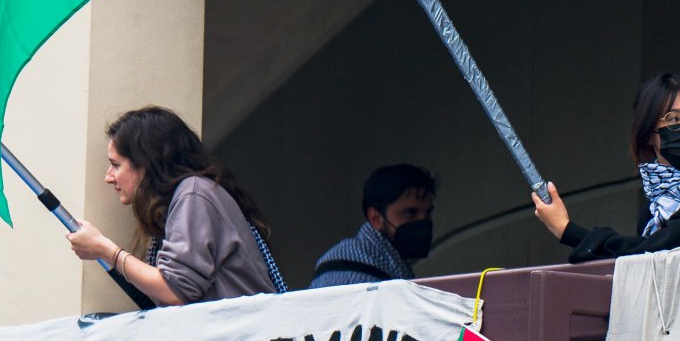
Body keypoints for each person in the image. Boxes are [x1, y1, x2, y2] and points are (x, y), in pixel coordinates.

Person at [530, 72, 680, 259]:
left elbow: (652, 255)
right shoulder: (652, 210)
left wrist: (568, 231)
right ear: (648, 135)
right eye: (673, 119)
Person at [64, 106, 284, 305]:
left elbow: (175, 290)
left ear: (146, 163)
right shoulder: (188, 196)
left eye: (115, 165)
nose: (108, 177)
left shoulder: (193, 194)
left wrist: (105, 249)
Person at [311, 163, 437, 287]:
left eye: (428, 212)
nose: (423, 221)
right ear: (376, 218)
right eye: (410, 212)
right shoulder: (349, 266)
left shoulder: (389, 264)